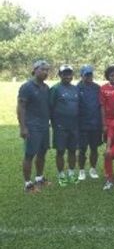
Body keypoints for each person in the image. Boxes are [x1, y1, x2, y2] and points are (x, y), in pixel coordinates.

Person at [17, 60, 51, 193]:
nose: (45, 72)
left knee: (42, 153)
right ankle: (27, 184)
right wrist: (23, 127)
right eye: (43, 69)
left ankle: (39, 178)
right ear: (35, 70)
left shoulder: (46, 87)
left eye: (47, 70)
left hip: (44, 126)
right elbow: (21, 108)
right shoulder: (27, 87)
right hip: (32, 126)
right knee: (29, 154)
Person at [50, 65, 80, 186]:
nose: (67, 76)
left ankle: (71, 172)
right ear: (60, 75)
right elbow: (50, 107)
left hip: (74, 126)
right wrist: (54, 123)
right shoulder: (55, 89)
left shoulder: (75, 89)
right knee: (60, 151)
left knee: (73, 150)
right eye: (65, 73)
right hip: (60, 126)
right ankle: (61, 174)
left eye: (69, 73)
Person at [77, 65, 102, 181]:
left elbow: (101, 105)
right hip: (82, 124)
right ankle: (81, 170)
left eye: (90, 74)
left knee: (94, 148)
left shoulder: (97, 88)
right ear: (81, 76)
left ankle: (92, 169)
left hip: (95, 123)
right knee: (82, 149)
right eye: (86, 75)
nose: (89, 77)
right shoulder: (77, 88)